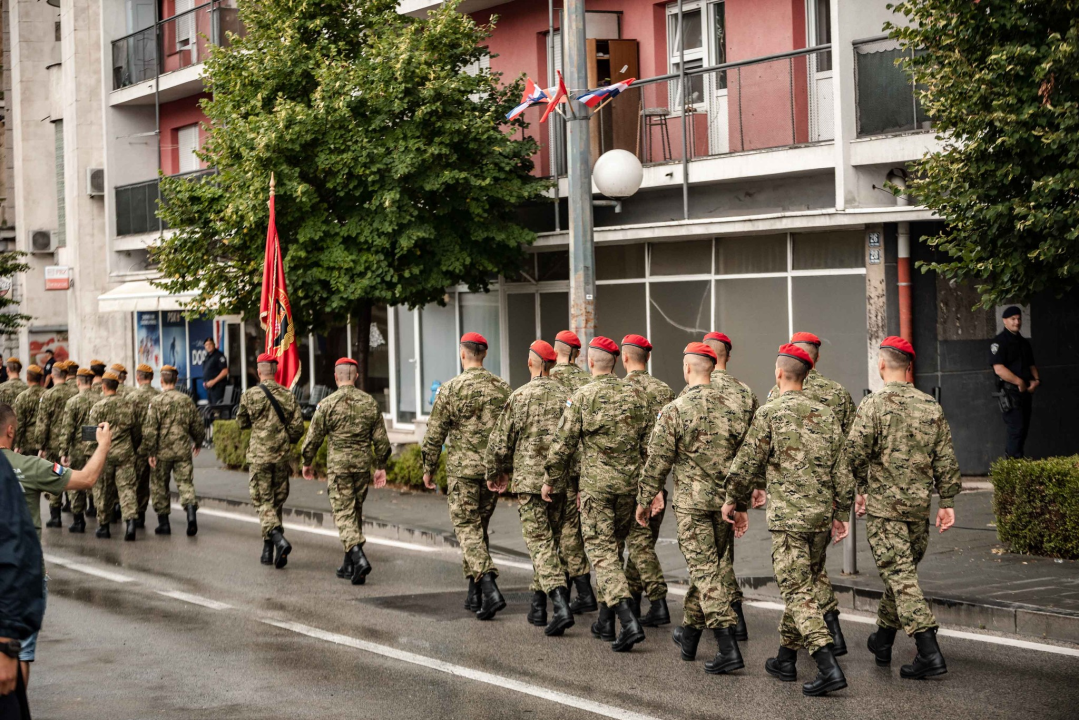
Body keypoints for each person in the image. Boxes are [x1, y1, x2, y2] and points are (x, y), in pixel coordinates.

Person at [722, 343, 853, 697]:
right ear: (808, 375)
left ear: (779, 373)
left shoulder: (769, 413)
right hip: (819, 518)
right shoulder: (826, 415)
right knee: (805, 585)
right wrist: (841, 514)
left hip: (788, 521)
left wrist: (733, 499)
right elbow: (843, 471)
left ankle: (827, 665)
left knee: (797, 591)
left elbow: (747, 463)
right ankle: (785, 658)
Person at [848, 337, 960, 679]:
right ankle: (882, 640)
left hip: (886, 512)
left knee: (901, 579)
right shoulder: (931, 406)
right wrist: (948, 502)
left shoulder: (873, 406)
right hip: (918, 510)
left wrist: (860, 490)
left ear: (882, 365)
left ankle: (929, 652)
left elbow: (853, 454)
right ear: (909, 367)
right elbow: (945, 459)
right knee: (902, 577)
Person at [640, 342, 750, 674]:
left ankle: (728, 646)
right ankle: (688, 635)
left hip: (693, 506)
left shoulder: (676, 409)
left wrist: (645, 500)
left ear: (688, 369)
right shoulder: (734, 406)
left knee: (704, 573)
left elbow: (657, 460)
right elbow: (746, 462)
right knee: (709, 570)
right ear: (714, 367)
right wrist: (740, 504)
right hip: (724, 505)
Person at [545, 336, 651, 653]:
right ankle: (605, 621)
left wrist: (550, 478)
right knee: (615, 550)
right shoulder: (636, 396)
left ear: (590, 362)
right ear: (615, 363)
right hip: (629, 487)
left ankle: (627, 619)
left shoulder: (582, 396)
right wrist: (649, 489)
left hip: (597, 488)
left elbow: (563, 444)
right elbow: (649, 447)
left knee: (602, 553)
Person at [2, 402, 111, 699]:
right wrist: (103, 444)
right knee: (20, 653)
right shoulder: (29, 466)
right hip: (24, 576)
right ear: (11, 430)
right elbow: (87, 478)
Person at [765, 331, 855, 654]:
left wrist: (751, 492)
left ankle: (823, 642)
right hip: (825, 498)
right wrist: (844, 502)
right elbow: (849, 449)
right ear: (816, 360)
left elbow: (761, 449)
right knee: (811, 571)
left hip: (789, 504)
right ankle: (792, 653)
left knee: (797, 577)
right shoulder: (839, 396)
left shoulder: (775, 397)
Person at [485, 340, 575, 636]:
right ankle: (537, 607)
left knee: (539, 544)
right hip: (561, 481)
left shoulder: (520, 397)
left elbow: (500, 442)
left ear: (532, 364)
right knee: (551, 544)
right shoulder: (569, 395)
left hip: (530, 482)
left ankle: (560, 604)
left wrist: (495, 472)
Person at [421, 333, 512, 620]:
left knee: (468, 530)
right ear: (484, 354)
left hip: (462, 473)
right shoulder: (502, 388)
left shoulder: (450, 389)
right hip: (490, 472)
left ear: (463, 354)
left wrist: (428, 467)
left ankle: (489, 586)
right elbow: (511, 433)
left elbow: (435, 433)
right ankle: (474, 594)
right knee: (478, 530)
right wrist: (506, 469)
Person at [301, 358, 391, 584]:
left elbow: (313, 438)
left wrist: (307, 461)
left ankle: (359, 559)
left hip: (339, 467)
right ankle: (349, 565)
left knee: (343, 514)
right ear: (356, 376)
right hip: (362, 466)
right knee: (354, 512)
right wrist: (380, 466)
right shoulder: (370, 403)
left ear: (336, 376)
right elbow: (382, 441)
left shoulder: (327, 404)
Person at [695, 331, 758, 641]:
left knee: (705, 558)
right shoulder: (744, 393)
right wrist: (749, 492)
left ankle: (726, 620)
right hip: (731, 489)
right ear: (727, 356)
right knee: (723, 555)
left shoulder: (693, 390)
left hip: (697, 491)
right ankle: (734, 618)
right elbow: (754, 445)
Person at [618, 334, 671, 627]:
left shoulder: (618, 391)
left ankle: (655, 600)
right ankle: (635, 601)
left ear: (624, 358)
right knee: (643, 541)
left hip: (626, 479)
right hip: (656, 479)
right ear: (646, 358)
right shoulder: (664, 391)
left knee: (637, 543)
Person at [235, 353, 304, 568]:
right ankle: (269, 550)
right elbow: (298, 427)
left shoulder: (250, 395)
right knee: (276, 501)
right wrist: (285, 440)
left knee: (263, 501)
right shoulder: (287, 394)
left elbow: (241, 422)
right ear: (275, 371)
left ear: (259, 372)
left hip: (259, 455)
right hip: (281, 455)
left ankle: (277, 539)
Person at [547, 330, 597, 615]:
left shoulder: (546, 379)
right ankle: (572, 586)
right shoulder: (587, 382)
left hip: (555, 468)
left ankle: (568, 588)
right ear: (577, 355)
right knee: (572, 528)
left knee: (555, 532)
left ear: (555, 352)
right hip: (582, 467)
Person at [142, 364, 206, 537]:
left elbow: (150, 430)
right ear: (176, 380)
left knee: (159, 486)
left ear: (161, 381)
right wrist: (198, 442)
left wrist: (151, 452)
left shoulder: (156, 402)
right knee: (185, 483)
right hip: (182, 451)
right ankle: (191, 514)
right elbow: (198, 425)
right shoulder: (186, 400)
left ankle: (164, 524)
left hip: (162, 452)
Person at [87, 371, 139, 540]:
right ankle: (130, 523)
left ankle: (104, 526)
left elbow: (90, 436)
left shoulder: (97, 407)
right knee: (127, 488)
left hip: (104, 454)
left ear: (103, 387)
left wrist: (91, 455)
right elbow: (136, 432)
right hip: (125, 453)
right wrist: (133, 447)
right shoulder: (129, 405)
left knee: (103, 490)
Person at [990, 306, 1040, 458]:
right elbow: (999, 369)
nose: (1017, 322)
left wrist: (1036, 381)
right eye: (1013, 319)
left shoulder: (1023, 343)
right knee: (1016, 428)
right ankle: (1013, 463)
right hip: (1010, 392)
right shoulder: (999, 342)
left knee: (1023, 428)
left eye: (1019, 319)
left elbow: (1032, 365)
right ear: (1005, 321)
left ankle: (1017, 462)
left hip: (1025, 392)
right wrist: (1019, 382)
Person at [34, 361, 78, 528]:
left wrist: (41, 446)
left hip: (53, 444)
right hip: (72, 443)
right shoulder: (75, 392)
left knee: (55, 476)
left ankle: (55, 515)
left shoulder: (48, 395)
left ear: (52, 375)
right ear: (67, 376)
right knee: (73, 475)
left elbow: (43, 424)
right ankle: (76, 512)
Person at [59, 368, 98, 532]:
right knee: (97, 481)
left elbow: (67, 428)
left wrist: (63, 451)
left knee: (75, 482)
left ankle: (78, 520)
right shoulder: (100, 399)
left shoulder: (73, 402)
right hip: (95, 447)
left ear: (78, 382)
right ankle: (99, 514)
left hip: (77, 448)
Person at [129, 364, 160, 528]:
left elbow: (129, 425)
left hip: (138, 447)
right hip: (157, 447)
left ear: (138, 378)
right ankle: (163, 518)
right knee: (158, 482)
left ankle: (139, 516)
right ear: (152, 378)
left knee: (138, 483)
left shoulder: (132, 398)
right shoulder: (159, 396)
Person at [12, 365, 45, 457]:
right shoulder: (47, 394)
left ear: (27, 377)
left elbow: (19, 423)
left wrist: (17, 444)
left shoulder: (22, 397)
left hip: (27, 442)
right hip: (44, 442)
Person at [202, 338, 229, 405]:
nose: (208, 346)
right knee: (211, 409)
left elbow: (225, 371)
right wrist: (205, 382)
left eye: (210, 344)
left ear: (214, 344)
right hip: (209, 389)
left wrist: (213, 382)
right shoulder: (207, 357)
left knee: (217, 409)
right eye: (206, 345)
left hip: (218, 388)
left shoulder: (219, 355)